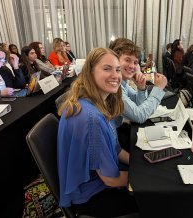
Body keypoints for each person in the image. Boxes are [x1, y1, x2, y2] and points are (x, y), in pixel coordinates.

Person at [57, 47, 138, 217]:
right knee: (158, 202)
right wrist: (146, 179)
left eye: (117, 69)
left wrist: (141, 165)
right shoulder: (91, 118)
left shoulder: (90, 102)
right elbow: (110, 179)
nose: (116, 75)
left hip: (94, 184)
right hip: (93, 196)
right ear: (90, 72)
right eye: (107, 69)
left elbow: (117, 150)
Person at [109, 38, 167, 124]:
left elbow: (139, 105)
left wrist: (141, 88)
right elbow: (139, 116)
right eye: (127, 60)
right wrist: (158, 88)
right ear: (115, 60)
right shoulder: (114, 85)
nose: (132, 66)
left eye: (135, 62)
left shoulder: (122, 82)